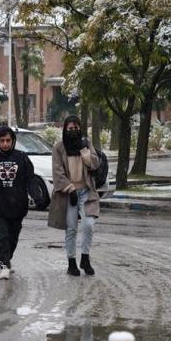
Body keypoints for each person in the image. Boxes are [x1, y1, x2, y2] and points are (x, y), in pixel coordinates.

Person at [0, 125, 44, 280]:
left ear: (13, 141)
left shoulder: (22, 158)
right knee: (2, 235)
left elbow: (30, 179)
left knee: (13, 238)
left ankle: (7, 258)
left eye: (8, 140)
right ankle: (4, 264)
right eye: (2, 140)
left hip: (18, 207)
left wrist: (37, 196)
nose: (5, 144)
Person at [48, 116, 100, 276]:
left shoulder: (86, 143)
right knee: (71, 228)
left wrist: (85, 153)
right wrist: (70, 189)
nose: (74, 131)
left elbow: (95, 164)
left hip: (86, 191)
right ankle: (71, 263)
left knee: (89, 225)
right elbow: (58, 172)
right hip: (68, 194)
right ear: (65, 129)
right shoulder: (59, 148)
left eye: (76, 127)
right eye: (70, 128)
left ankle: (85, 258)